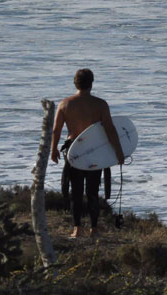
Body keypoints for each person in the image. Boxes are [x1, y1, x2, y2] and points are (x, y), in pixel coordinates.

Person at [51, 68, 125, 239]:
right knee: (92, 190)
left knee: (76, 191)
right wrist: (119, 152)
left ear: (75, 83)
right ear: (92, 83)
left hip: (73, 150)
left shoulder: (65, 104)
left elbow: (56, 130)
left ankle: (77, 229)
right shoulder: (100, 104)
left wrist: (54, 150)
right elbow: (110, 130)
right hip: (94, 152)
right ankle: (94, 229)